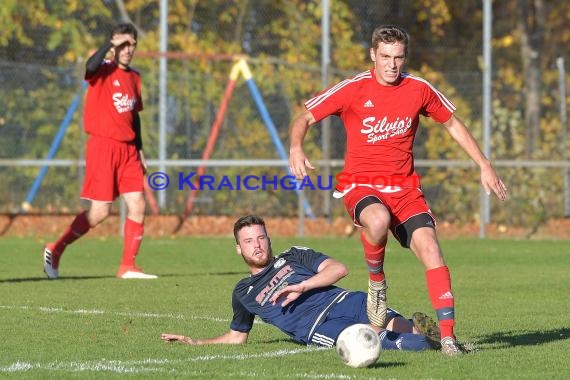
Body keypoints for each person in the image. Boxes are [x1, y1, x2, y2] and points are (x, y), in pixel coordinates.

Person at [288, 25, 507, 355]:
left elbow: (452, 123)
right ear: (373, 56)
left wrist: (484, 164)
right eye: (386, 56)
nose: (392, 64)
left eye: (398, 57)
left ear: (405, 58)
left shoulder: (418, 89)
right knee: (376, 220)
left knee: (431, 249)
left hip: (405, 191)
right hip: (361, 186)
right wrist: (295, 147)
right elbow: (304, 117)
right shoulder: (352, 89)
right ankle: (377, 280)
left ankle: (447, 339)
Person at [161, 214, 443, 352]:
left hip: (347, 300)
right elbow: (237, 336)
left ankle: (440, 337)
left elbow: (338, 269)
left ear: (269, 239)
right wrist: (196, 341)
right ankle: (435, 343)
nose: (257, 246)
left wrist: (303, 286)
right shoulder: (243, 293)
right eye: (248, 241)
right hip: (318, 326)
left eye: (261, 238)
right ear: (239, 249)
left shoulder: (293, 255)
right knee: (380, 342)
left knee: (402, 326)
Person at [42, 23, 156, 280]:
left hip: (128, 150)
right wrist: (110, 45)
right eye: (123, 45)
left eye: (132, 45)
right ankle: (55, 249)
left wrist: (140, 150)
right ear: (114, 45)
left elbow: (134, 118)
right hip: (103, 147)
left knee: (137, 204)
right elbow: (89, 67)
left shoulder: (135, 77)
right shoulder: (102, 70)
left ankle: (128, 266)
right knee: (100, 212)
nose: (128, 50)